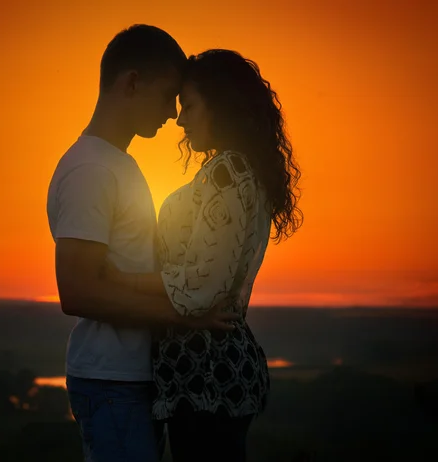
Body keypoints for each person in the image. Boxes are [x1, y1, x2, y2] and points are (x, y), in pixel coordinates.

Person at [46, 27, 239, 462]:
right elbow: (77, 291)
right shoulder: (91, 170)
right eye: (169, 94)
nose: (174, 114)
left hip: (132, 379)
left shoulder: (118, 164)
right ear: (131, 82)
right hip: (111, 382)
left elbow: (126, 269)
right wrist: (188, 317)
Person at [105, 49, 303, 462]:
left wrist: (118, 277)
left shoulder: (227, 171)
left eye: (189, 106)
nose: (179, 120)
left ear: (221, 105)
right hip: (215, 367)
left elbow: (203, 285)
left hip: (204, 372)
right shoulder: (246, 170)